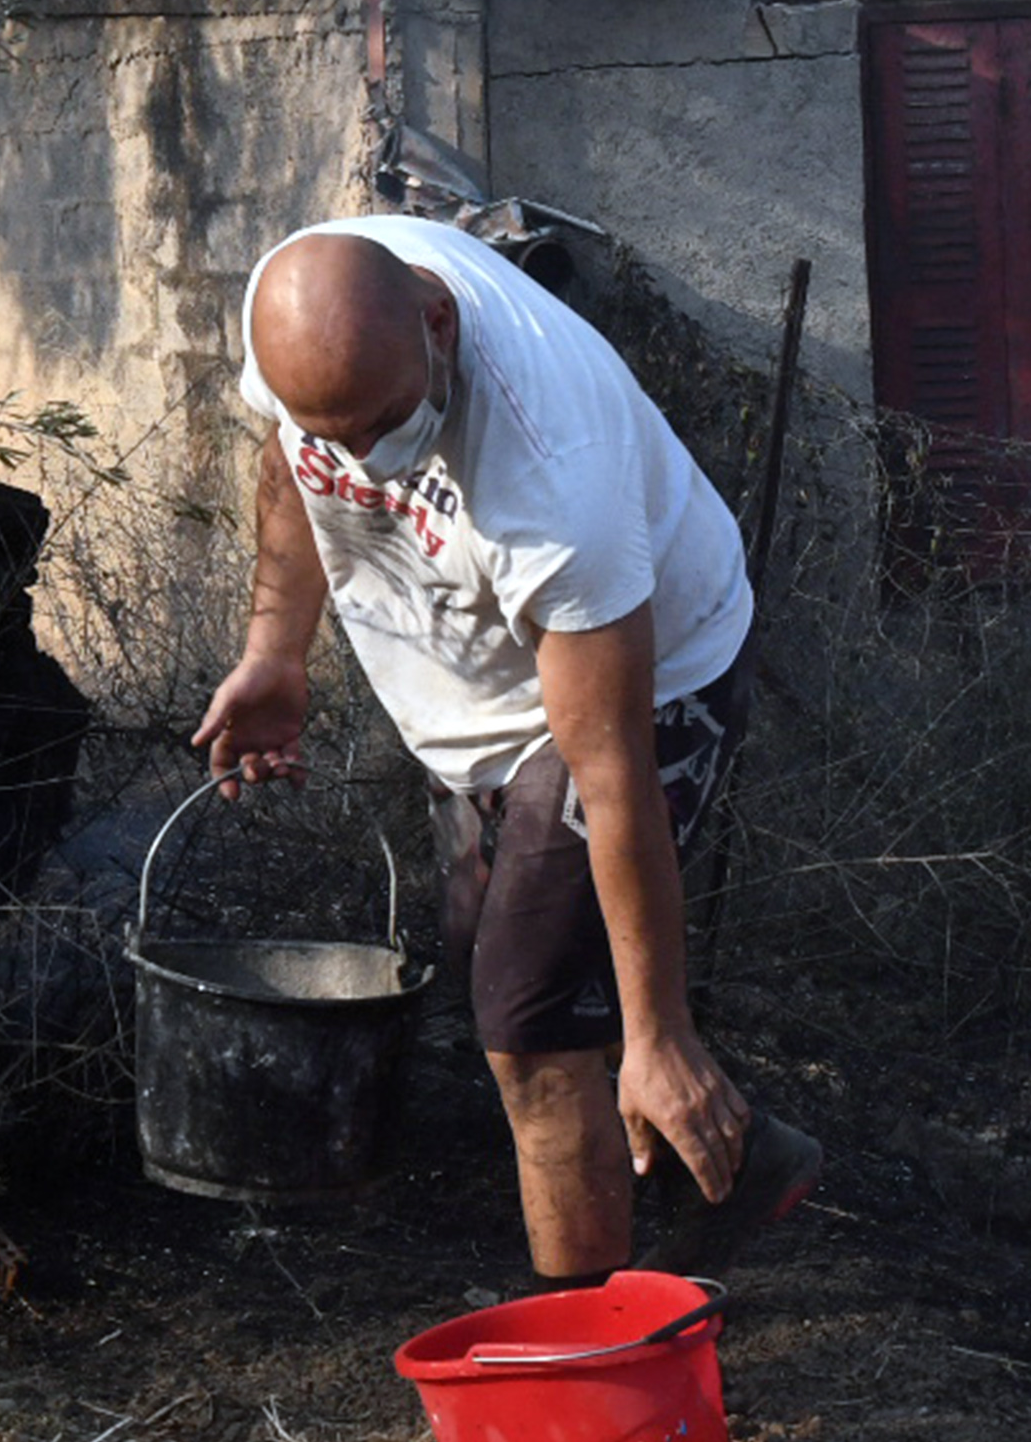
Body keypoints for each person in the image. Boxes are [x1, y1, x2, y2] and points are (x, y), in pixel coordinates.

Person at [191, 215, 821, 1291]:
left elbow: (612, 772)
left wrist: (658, 1031)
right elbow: (287, 463)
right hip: (475, 692)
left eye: (379, 426)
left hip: (645, 678)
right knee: (499, 957)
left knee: (529, 1027)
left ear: (439, 322)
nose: (354, 460)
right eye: (326, 431)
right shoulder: (310, 316)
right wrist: (274, 652)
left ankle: (588, 1355)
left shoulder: (551, 473)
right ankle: (737, 1160)